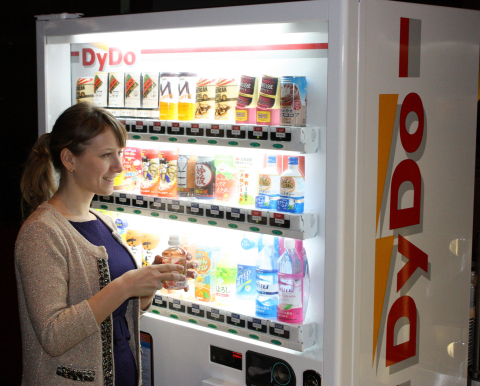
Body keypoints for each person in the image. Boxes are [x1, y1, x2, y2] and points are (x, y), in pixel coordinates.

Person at [15, 103, 197, 386]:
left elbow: (116, 313)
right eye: (106, 155)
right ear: (69, 159)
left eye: (120, 153)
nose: (120, 166)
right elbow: (53, 335)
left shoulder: (102, 221)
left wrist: (150, 283)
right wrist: (126, 285)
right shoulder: (41, 232)